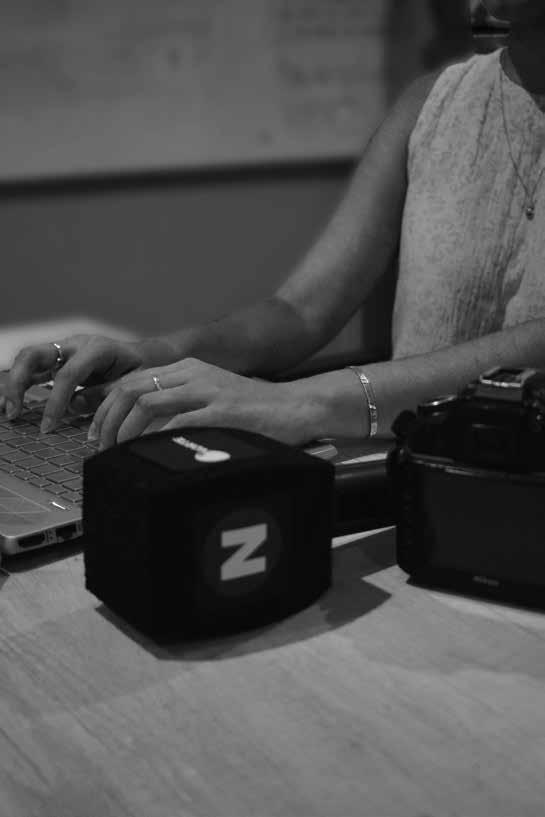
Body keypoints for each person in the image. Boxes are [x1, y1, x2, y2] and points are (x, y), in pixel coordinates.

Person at [3, 0, 545, 451]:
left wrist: (299, 403)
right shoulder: (432, 103)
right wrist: (152, 356)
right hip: (419, 483)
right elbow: (300, 312)